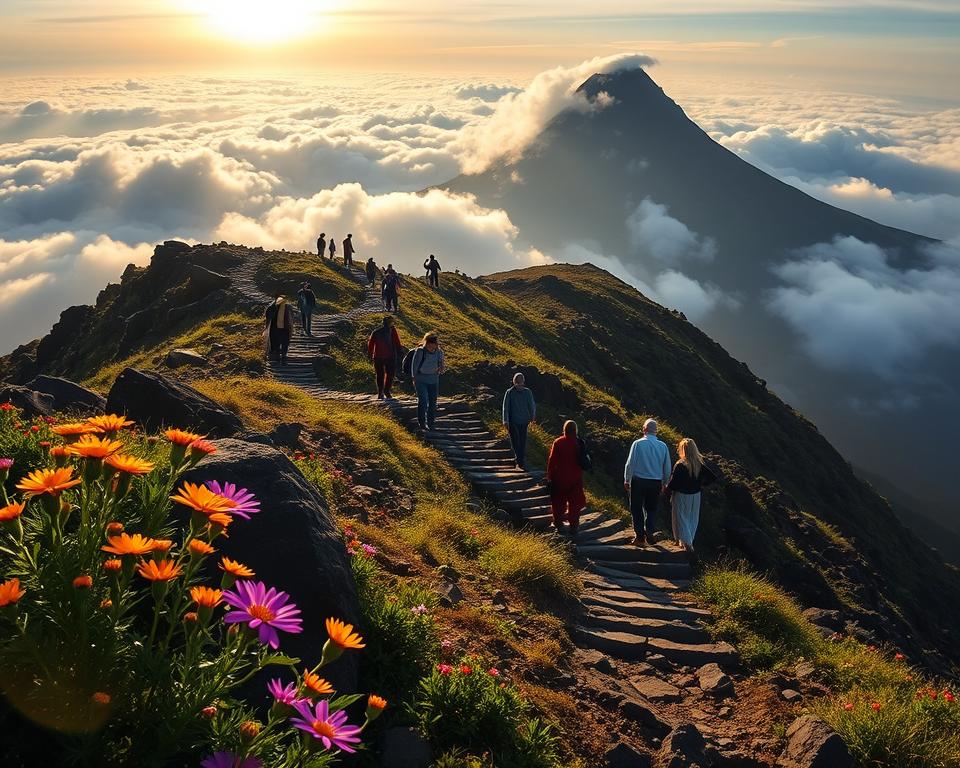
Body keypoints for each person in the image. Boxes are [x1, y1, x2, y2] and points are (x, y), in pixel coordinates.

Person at [623, 418, 672, 546]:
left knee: (636, 508)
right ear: (656, 431)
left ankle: (639, 536)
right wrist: (665, 483)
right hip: (655, 482)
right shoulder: (663, 446)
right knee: (651, 508)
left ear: (644, 429)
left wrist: (627, 479)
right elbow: (667, 467)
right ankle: (649, 531)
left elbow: (630, 464)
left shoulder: (638, 444)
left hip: (638, 481)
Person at [666, 438, 717, 554]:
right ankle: (686, 542)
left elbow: (674, 483)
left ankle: (686, 544)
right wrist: (701, 485)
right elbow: (712, 478)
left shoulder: (680, 464)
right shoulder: (698, 463)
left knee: (680, 518)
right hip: (695, 495)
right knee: (692, 519)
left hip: (681, 494)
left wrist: (666, 490)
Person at [546, 420, 586, 535]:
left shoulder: (558, 442)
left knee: (558, 501)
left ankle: (558, 523)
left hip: (559, 477)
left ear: (564, 429)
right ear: (575, 430)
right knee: (575, 503)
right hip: (575, 477)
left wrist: (549, 475)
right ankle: (574, 526)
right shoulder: (579, 442)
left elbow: (552, 460)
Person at [411, 331, 445, 431]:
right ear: (426, 343)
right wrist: (414, 377)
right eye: (429, 345)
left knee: (433, 402)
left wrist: (441, 368)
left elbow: (442, 365)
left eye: (433, 345)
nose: (431, 347)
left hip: (434, 379)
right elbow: (414, 365)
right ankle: (422, 423)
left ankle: (431, 423)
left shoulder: (439, 352)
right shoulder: (420, 351)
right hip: (420, 379)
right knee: (423, 401)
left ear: (436, 344)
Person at [502, 372, 536, 470]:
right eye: (518, 383)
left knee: (522, 441)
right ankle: (519, 461)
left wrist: (533, 417)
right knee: (515, 441)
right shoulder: (509, 392)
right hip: (512, 421)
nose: (520, 385)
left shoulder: (528, 392)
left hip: (524, 421)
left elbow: (532, 405)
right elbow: (506, 407)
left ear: (523, 382)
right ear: (514, 382)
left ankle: (520, 461)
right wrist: (505, 420)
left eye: (521, 383)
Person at [367, 315, 402, 400]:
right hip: (390, 356)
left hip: (377, 356)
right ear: (390, 323)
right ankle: (387, 391)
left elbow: (370, 344)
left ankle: (380, 392)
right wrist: (400, 351)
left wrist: (370, 354)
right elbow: (397, 341)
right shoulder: (392, 330)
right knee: (390, 374)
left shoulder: (376, 332)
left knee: (380, 375)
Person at [264, 296, 294, 365]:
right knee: (285, 344)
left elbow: (268, 317)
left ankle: (277, 358)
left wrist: (267, 327)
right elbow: (291, 318)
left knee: (277, 343)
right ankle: (283, 358)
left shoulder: (272, 306)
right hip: (285, 329)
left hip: (275, 329)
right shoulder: (288, 307)